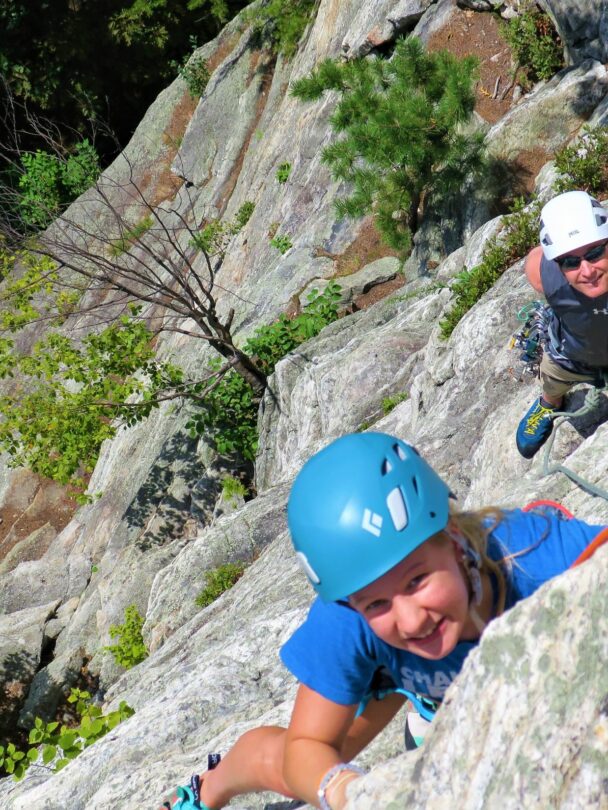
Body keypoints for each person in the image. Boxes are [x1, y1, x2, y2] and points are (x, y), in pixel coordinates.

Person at [160, 432, 607, 810]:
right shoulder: (347, 617)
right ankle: (208, 789)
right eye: (376, 603)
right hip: (399, 667)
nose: (410, 620)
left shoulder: (545, 564)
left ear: (454, 539)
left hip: (446, 656)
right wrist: (347, 792)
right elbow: (305, 749)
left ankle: (437, 695)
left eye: (417, 581)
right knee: (293, 772)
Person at [516, 189, 608, 459]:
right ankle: (550, 402)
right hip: (572, 355)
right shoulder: (545, 276)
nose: (587, 271)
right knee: (552, 379)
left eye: (595, 253)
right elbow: (535, 259)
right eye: (570, 261)